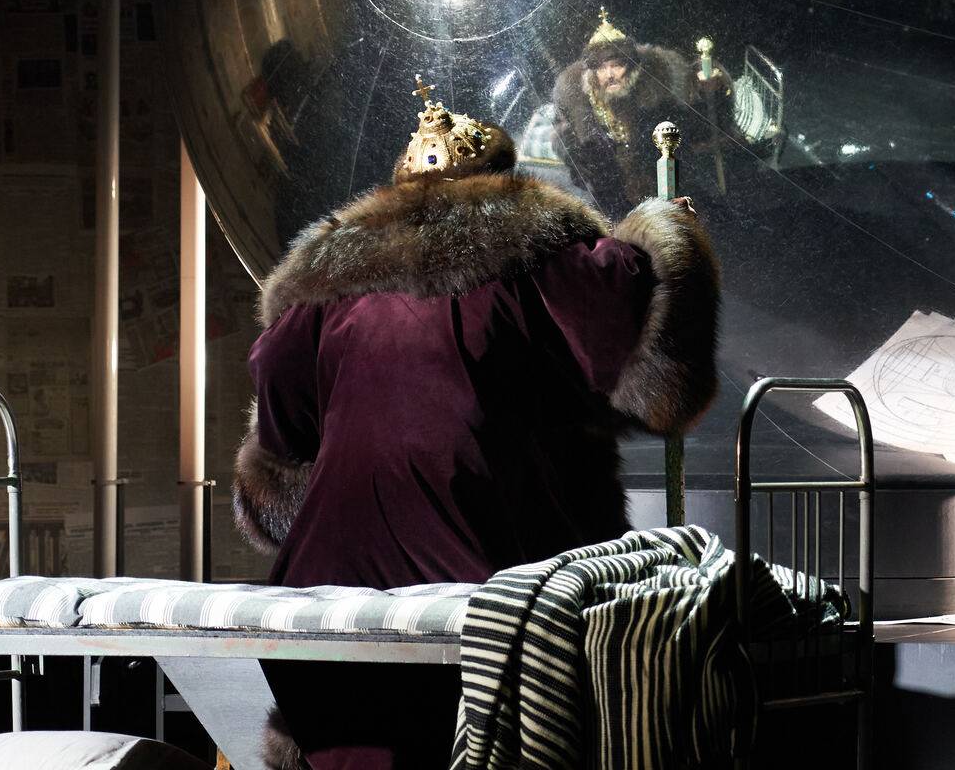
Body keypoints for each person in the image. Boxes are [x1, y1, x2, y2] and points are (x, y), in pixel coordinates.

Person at [234, 77, 722, 770]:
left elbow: (278, 433)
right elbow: (648, 358)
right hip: (491, 566)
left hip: (327, 583)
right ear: (499, 179)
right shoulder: (540, 252)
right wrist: (663, 231)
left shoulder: (325, 284)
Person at [552, 7, 733, 208]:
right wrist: (579, 156)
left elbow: (697, 128)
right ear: (594, 74)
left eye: (616, 65)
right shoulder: (579, 102)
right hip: (612, 195)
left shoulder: (658, 95)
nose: (610, 75)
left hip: (662, 188)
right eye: (602, 68)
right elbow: (565, 140)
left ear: (632, 68)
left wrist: (710, 89)